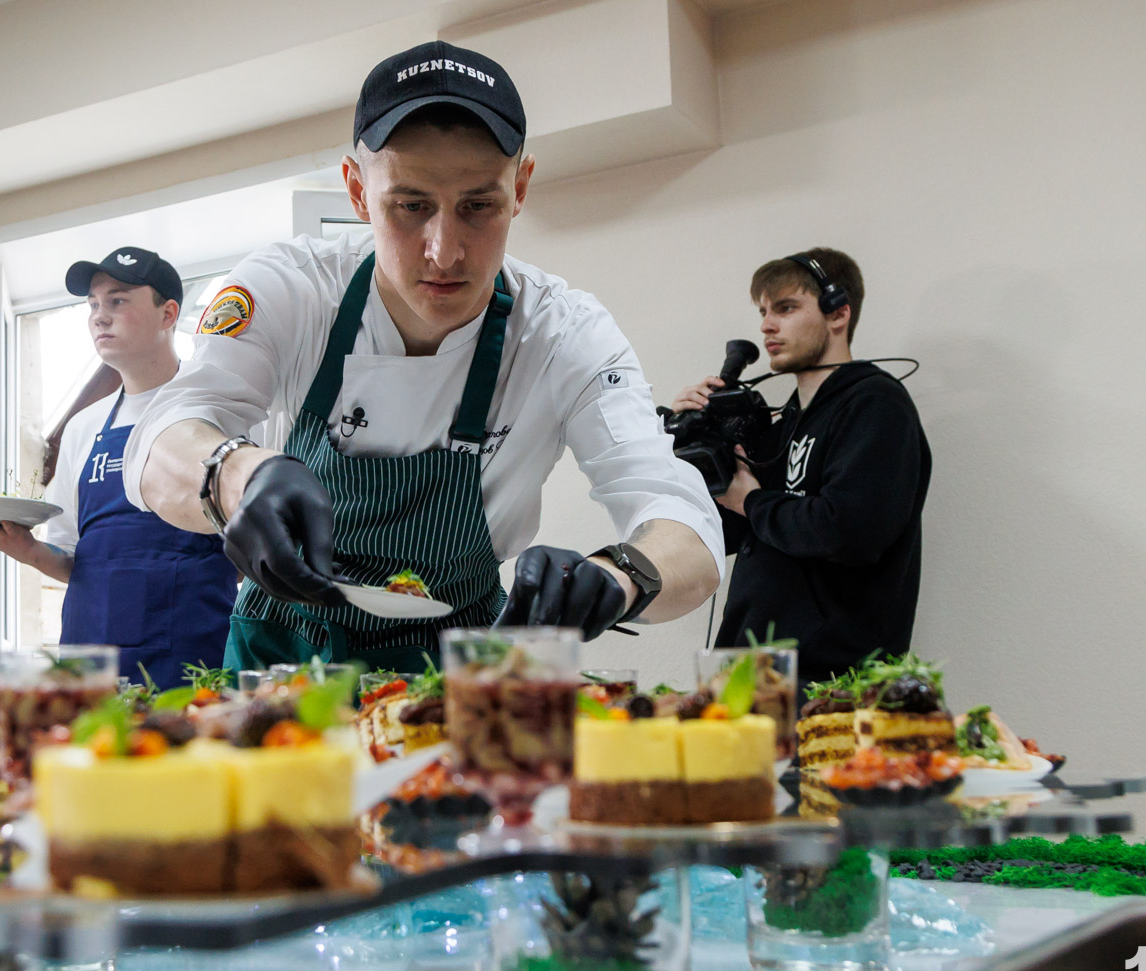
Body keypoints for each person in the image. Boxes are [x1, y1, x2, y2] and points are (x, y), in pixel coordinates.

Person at [123, 41, 723, 673]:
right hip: (281, 656)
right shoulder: (291, 288)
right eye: (410, 206)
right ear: (357, 192)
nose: (444, 252)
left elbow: (681, 517)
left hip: (465, 667)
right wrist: (234, 475)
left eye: (478, 206)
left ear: (520, 188)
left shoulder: (562, 332)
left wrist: (618, 576)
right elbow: (164, 436)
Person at [0, 247, 238, 687]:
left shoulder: (220, 409)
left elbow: (256, 550)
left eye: (118, 301)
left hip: (191, 660)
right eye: (93, 306)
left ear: (168, 313)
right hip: (89, 663)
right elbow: (72, 558)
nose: (100, 317)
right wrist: (22, 549)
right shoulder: (84, 427)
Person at [672, 249, 931, 689]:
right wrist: (691, 438)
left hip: (829, 683)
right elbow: (731, 533)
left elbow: (846, 531)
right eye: (763, 312)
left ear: (838, 313)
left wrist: (751, 499)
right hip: (746, 668)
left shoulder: (875, 405)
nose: (766, 326)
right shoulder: (784, 422)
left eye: (786, 308)